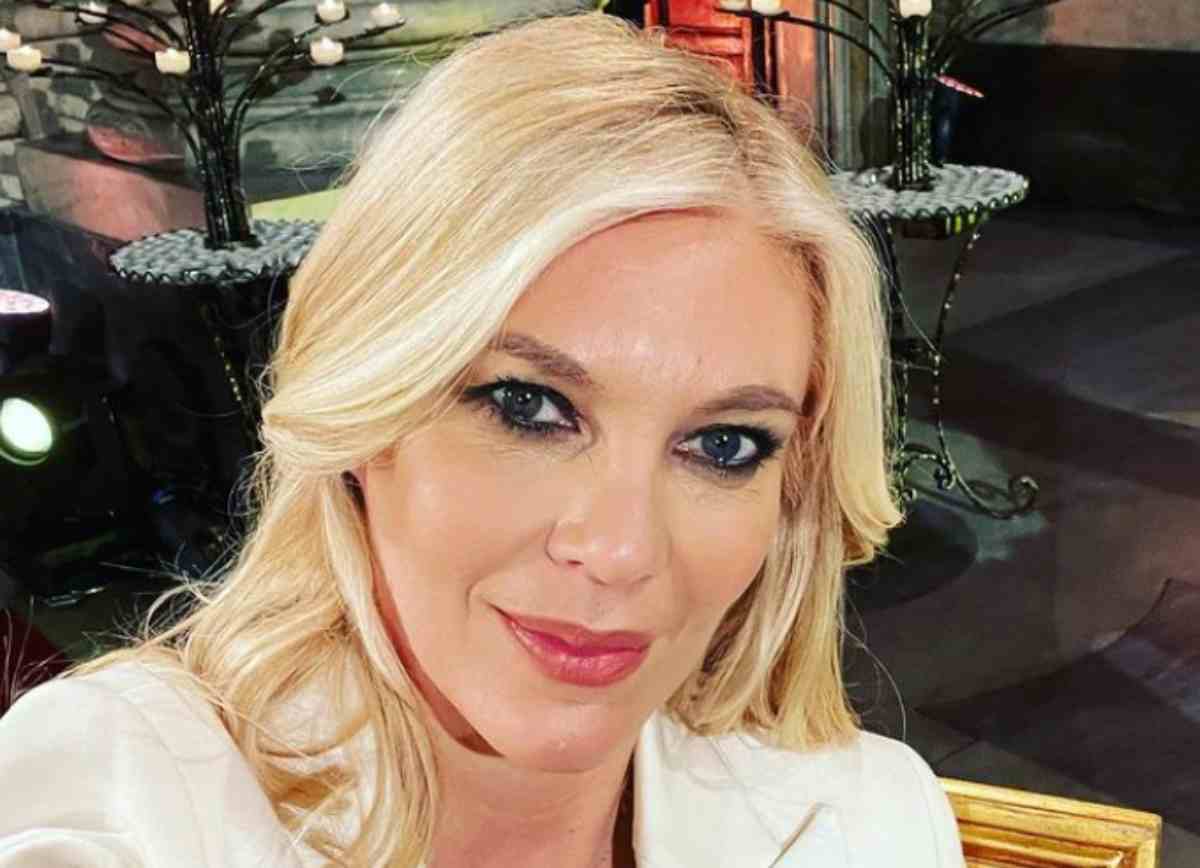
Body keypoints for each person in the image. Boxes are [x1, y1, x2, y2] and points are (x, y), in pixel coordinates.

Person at [0, 11, 964, 868]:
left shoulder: (873, 818)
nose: (620, 550)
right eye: (528, 407)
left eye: (724, 446)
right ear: (367, 409)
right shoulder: (120, 797)